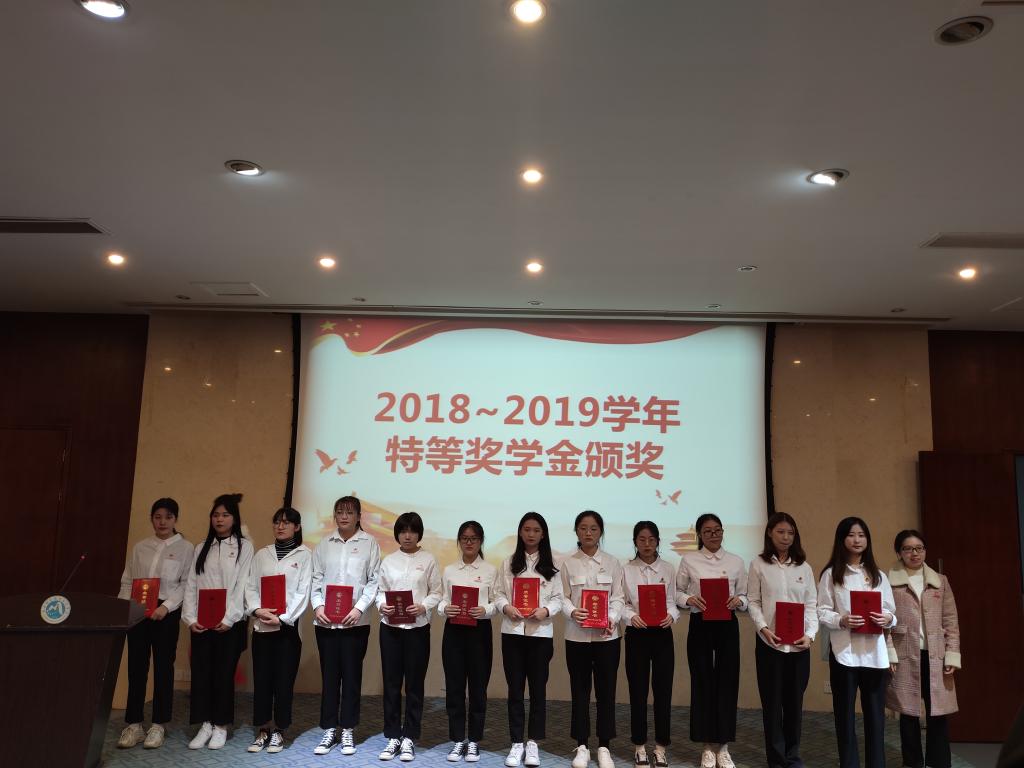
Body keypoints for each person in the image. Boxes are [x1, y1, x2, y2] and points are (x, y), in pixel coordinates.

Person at [817, 517, 896, 768]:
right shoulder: (831, 574)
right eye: (851, 535)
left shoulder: (878, 575)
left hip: (874, 654)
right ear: (842, 539)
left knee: (875, 718)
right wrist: (841, 620)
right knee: (844, 716)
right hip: (844, 653)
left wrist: (887, 618)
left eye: (861, 535)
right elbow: (821, 611)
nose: (857, 540)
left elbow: (891, 611)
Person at [116, 498, 194, 749]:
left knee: (163, 668)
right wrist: (125, 609)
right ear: (151, 519)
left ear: (175, 520)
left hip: (165, 614)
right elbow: (128, 580)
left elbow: (186, 583)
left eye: (168, 517)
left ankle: (159, 725)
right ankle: (134, 724)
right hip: (138, 612)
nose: (162, 522)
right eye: (157, 517)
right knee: (136, 668)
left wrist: (166, 606)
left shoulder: (186, 548)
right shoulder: (141, 547)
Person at [310, 496, 382, 756]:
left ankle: (348, 729)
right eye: (339, 512)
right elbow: (315, 579)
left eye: (349, 513)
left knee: (351, 677)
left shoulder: (369, 543)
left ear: (358, 516)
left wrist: (359, 608)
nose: (343, 516)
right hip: (326, 622)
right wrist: (318, 606)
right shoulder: (324, 544)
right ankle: (330, 729)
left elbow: (374, 580)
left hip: (355, 623)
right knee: (329, 677)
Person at [182, 493, 254, 750]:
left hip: (229, 624)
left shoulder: (245, 547)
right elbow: (192, 584)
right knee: (202, 674)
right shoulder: (201, 547)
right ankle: (205, 724)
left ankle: (221, 726)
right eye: (215, 515)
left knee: (223, 675)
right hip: (202, 623)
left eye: (225, 515)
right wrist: (190, 618)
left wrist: (229, 618)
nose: (219, 519)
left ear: (234, 518)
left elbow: (242, 585)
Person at [675, 513, 747, 768]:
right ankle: (706, 746)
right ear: (700, 535)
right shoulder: (689, 560)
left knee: (727, 682)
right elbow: (677, 592)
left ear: (723, 532)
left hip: (727, 625)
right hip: (700, 624)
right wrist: (689, 599)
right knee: (702, 681)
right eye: (707, 531)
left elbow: (746, 596)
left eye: (717, 530)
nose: (713, 535)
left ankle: (724, 746)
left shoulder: (736, 561)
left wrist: (739, 601)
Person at [493, 512, 564, 768]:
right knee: (515, 690)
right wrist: (506, 607)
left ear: (543, 534)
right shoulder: (508, 563)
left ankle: (533, 742)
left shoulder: (553, 564)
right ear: (520, 532)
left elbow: (558, 598)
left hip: (540, 634)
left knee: (537, 690)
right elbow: (498, 593)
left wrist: (546, 610)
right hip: (513, 633)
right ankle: (516, 743)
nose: (531, 534)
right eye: (526, 529)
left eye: (536, 530)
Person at [747, 512, 818, 768]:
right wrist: (763, 628)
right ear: (769, 533)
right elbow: (753, 601)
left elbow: (811, 605)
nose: (786, 537)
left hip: (798, 646)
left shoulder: (804, 567)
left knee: (794, 703)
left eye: (790, 533)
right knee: (772, 704)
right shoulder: (758, 564)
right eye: (780, 532)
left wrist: (810, 635)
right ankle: (776, 760)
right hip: (770, 644)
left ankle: (793, 756)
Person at [885, 530, 961, 768]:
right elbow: (884, 621)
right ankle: (912, 762)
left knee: (938, 711)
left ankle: (939, 762)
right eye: (908, 549)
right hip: (905, 654)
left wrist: (952, 654)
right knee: (908, 712)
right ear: (899, 552)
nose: (914, 553)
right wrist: (889, 652)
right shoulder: (888, 581)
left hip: (936, 655)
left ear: (925, 551)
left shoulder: (940, 580)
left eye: (919, 548)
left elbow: (950, 620)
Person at [244, 507, 312, 754]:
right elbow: (250, 587)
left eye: (286, 522)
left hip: (287, 630)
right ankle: (263, 729)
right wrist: (257, 610)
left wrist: (282, 618)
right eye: (277, 522)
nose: (280, 526)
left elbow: (303, 591)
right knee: (262, 681)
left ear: (297, 527)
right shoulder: (262, 554)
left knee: (283, 682)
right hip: (262, 627)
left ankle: (280, 730)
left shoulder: (305, 555)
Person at [376, 512, 442, 762]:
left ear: (418, 534)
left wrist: (424, 606)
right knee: (391, 683)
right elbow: (380, 591)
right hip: (390, 628)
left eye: (412, 531)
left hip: (417, 629)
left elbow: (437, 592)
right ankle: (393, 735)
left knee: (414, 684)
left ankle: (410, 737)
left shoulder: (429, 559)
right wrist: (382, 605)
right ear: (397, 534)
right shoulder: (389, 560)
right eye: (403, 531)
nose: (407, 535)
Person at [562, 510, 625, 768]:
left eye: (594, 528)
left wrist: (611, 618)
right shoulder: (567, 563)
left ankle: (604, 746)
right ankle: (582, 746)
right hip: (576, 637)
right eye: (583, 528)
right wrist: (572, 611)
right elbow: (562, 597)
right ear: (576, 531)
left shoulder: (612, 562)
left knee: (606, 693)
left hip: (607, 638)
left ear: (601, 532)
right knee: (579, 692)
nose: (588, 533)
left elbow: (619, 597)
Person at [439, 521, 498, 763]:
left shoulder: (491, 570)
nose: (469, 542)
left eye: (473, 538)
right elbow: (442, 600)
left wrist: (485, 610)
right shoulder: (449, 570)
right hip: (453, 631)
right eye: (464, 538)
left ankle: (473, 740)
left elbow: (497, 603)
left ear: (481, 541)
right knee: (454, 687)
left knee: (477, 688)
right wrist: (445, 608)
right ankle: (457, 740)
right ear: (459, 541)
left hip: (479, 632)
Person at [621, 521, 678, 768]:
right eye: (642, 539)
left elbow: (673, 601)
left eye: (651, 539)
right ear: (635, 542)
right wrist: (630, 616)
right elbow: (622, 602)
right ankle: (640, 746)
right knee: (638, 691)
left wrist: (672, 615)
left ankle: (661, 747)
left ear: (658, 542)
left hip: (662, 634)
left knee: (663, 691)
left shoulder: (668, 568)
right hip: (637, 634)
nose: (647, 544)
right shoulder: (626, 569)